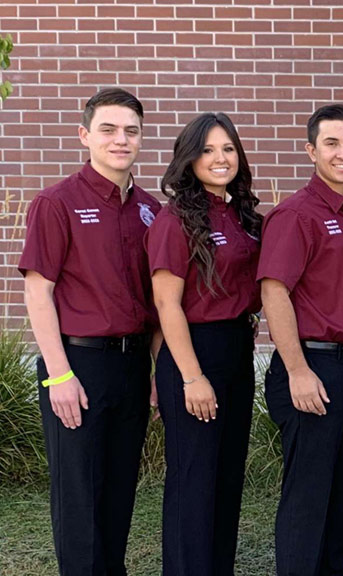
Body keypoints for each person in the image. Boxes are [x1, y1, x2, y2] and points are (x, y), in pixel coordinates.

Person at [19, 88, 163, 576]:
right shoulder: (56, 202)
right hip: (78, 366)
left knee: (119, 487)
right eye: (108, 129)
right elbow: (38, 293)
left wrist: (153, 370)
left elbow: (159, 303)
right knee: (79, 493)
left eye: (130, 131)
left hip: (131, 364)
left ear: (141, 139)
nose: (120, 140)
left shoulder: (150, 210)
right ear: (85, 135)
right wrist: (59, 376)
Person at [257, 104, 343, 576]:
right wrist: (297, 370)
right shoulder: (296, 215)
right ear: (311, 150)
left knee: (339, 494)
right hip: (310, 367)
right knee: (308, 498)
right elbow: (275, 293)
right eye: (331, 143)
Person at [145, 112, 262, 576]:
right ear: (189, 158)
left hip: (236, 349)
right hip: (193, 352)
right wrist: (192, 377)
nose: (220, 158)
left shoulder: (242, 213)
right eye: (209, 150)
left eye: (228, 149)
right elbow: (166, 304)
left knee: (227, 477)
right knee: (194, 481)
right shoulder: (175, 220)